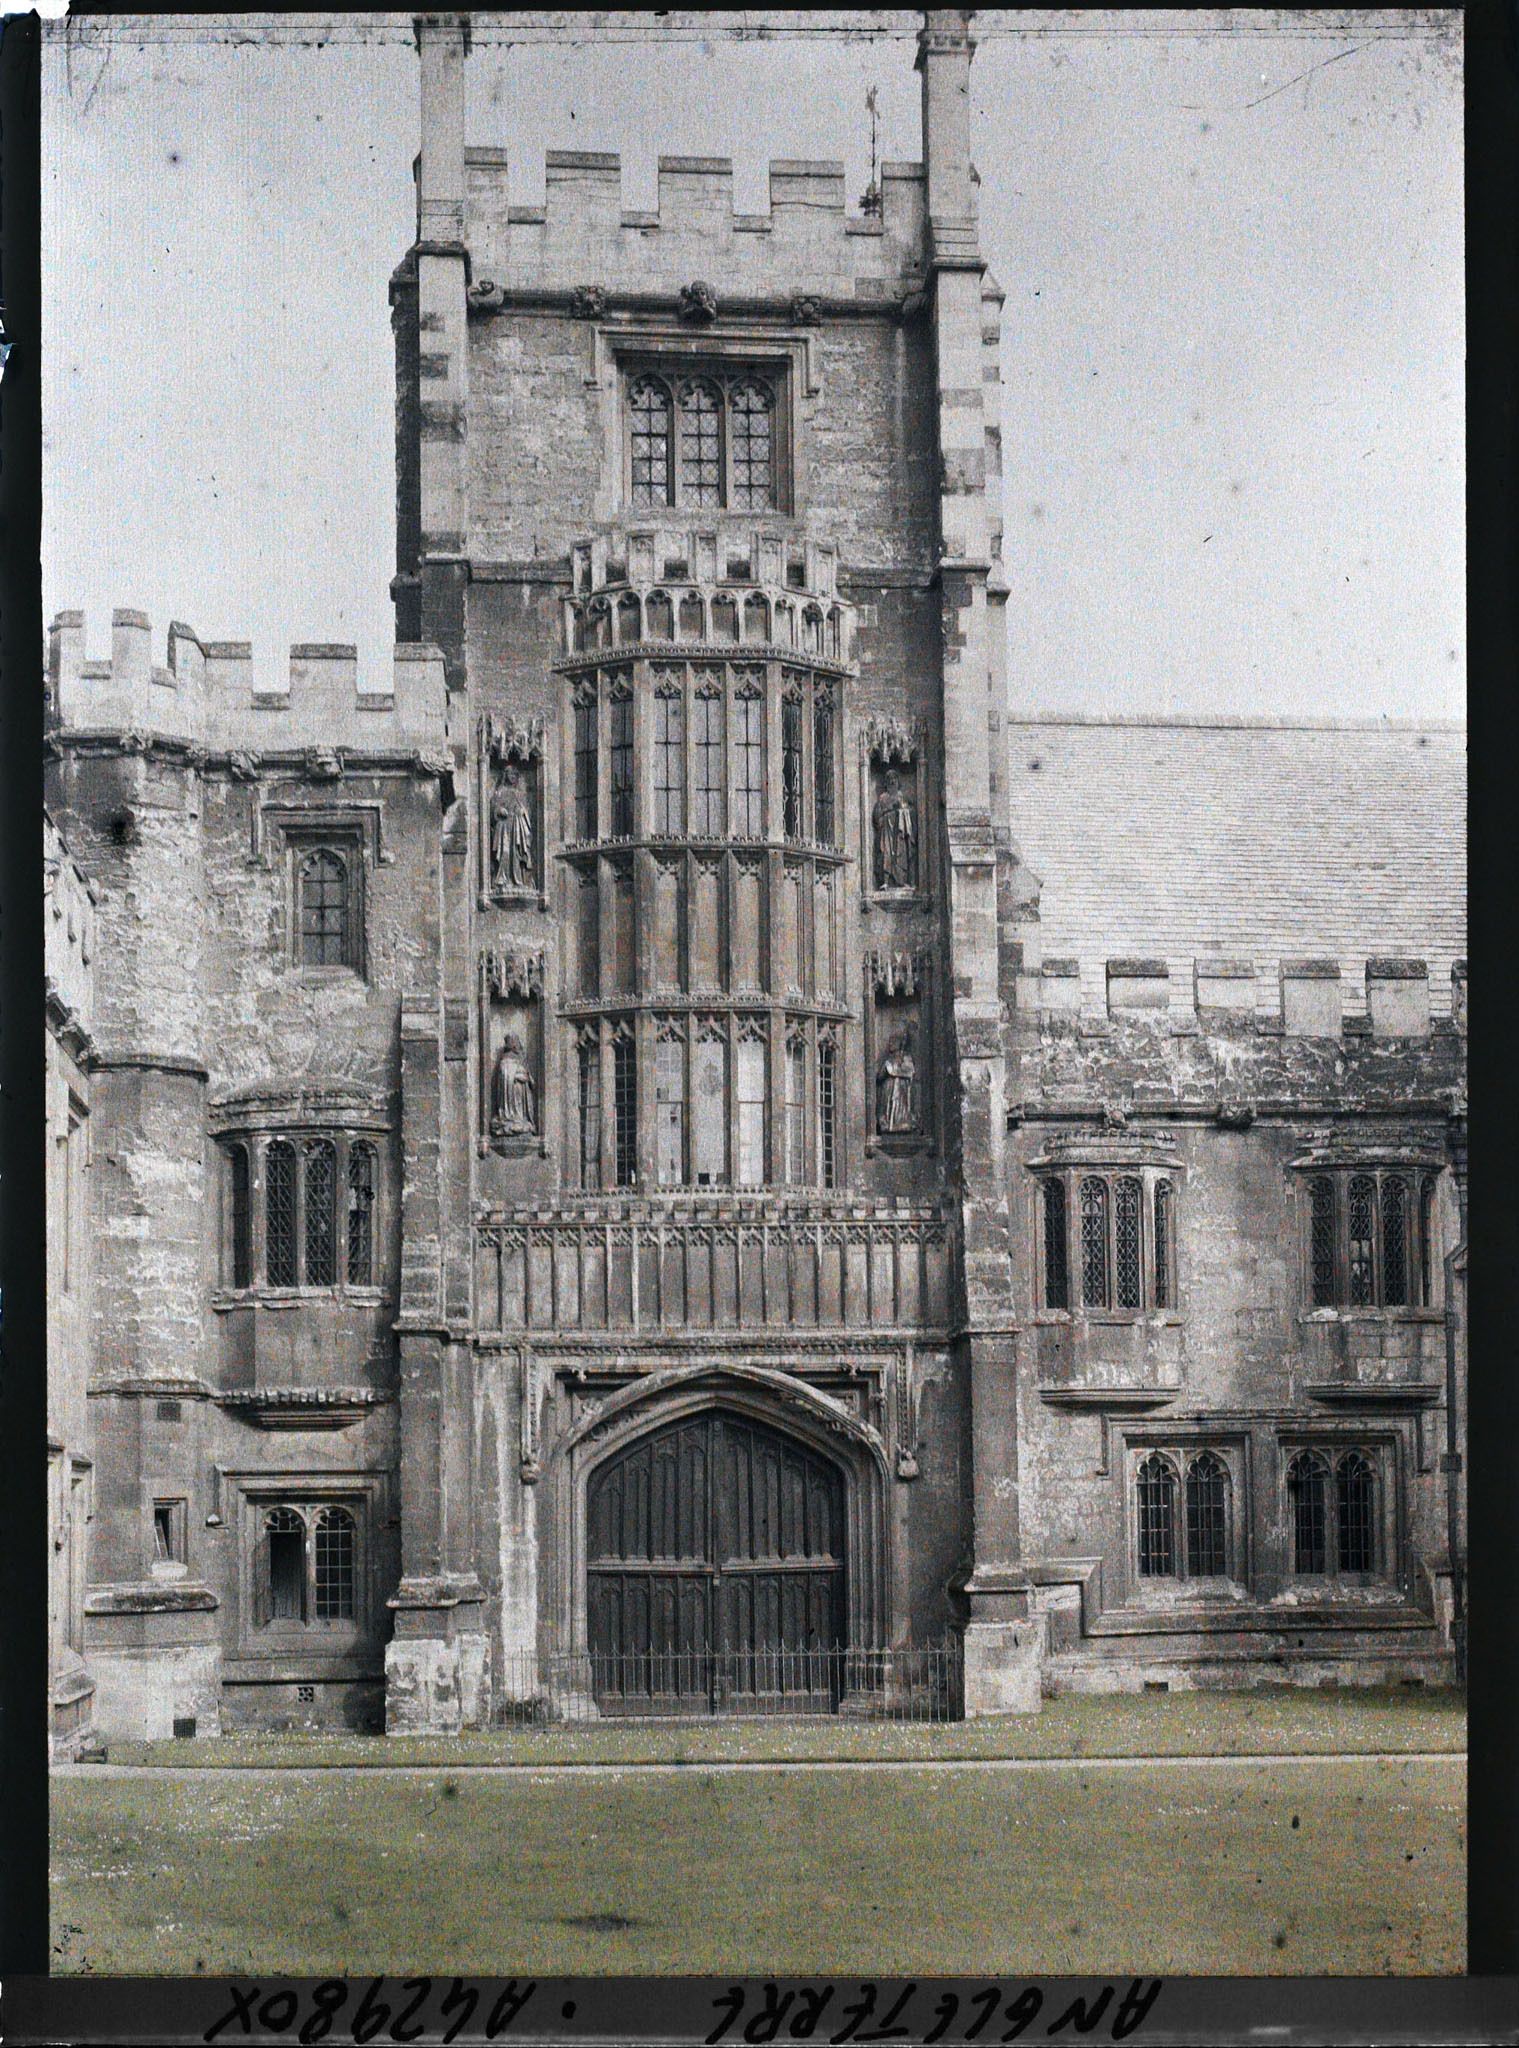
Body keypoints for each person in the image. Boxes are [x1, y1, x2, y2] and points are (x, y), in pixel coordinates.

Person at [491, 765, 534, 891]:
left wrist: (522, 811)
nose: (512, 777)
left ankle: (518, 879)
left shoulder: (519, 794)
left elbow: (527, 811)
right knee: (504, 852)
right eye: (510, 774)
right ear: (505, 776)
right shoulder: (500, 792)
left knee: (516, 853)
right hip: (504, 826)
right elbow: (493, 810)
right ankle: (502, 879)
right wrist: (500, 810)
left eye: (515, 775)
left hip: (517, 827)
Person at [872, 769, 915, 889]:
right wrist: (889, 810)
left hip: (900, 832)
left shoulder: (902, 796)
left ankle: (902, 880)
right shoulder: (883, 798)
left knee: (901, 854)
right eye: (889, 779)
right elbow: (876, 816)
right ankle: (885, 881)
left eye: (894, 779)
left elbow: (912, 811)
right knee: (886, 852)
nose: (892, 781)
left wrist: (904, 812)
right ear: (886, 783)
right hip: (887, 830)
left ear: (897, 781)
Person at [491, 1033, 537, 1136]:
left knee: (519, 1112)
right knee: (510, 1111)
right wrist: (516, 1076)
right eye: (515, 1043)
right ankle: (509, 1118)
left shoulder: (520, 1060)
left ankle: (518, 1119)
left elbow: (527, 1076)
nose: (517, 1046)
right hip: (510, 1091)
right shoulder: (505, 1060)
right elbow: (504, 1076)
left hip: (519, 1090)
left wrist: (525, 1077)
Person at [877, 1029, 917, 1134]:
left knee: (900, 1110)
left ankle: (901, 1125)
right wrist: (887, 1068)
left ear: (899, 1043)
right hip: (888, 1090)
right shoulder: (889, 1059)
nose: (890, 1044)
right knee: (888, 1108)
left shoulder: (906, 1058)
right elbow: (880, 1076)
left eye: (893, 1041)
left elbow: (909, 1071)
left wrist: (892, 1069)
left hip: (901, 1091)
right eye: (890, 1041)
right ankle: (887, 1124)